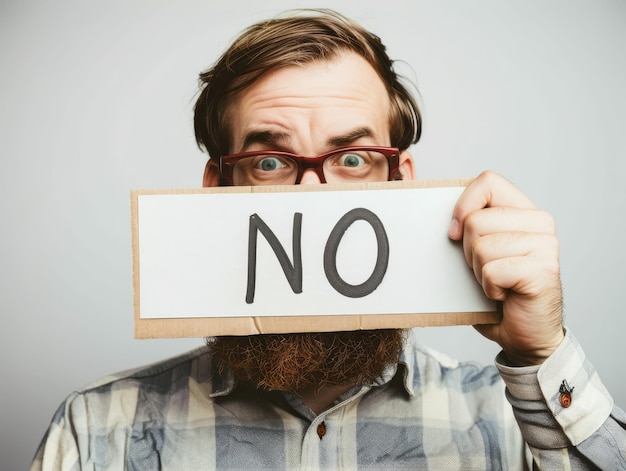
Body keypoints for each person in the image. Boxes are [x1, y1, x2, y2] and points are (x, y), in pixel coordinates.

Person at [31, 9, 625, 470]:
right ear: (217, 189)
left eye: (354, 157)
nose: (313, 195)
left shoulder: (511, 419)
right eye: (269, 161)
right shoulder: (99, 432)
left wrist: (542, 356)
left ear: (401, 182)